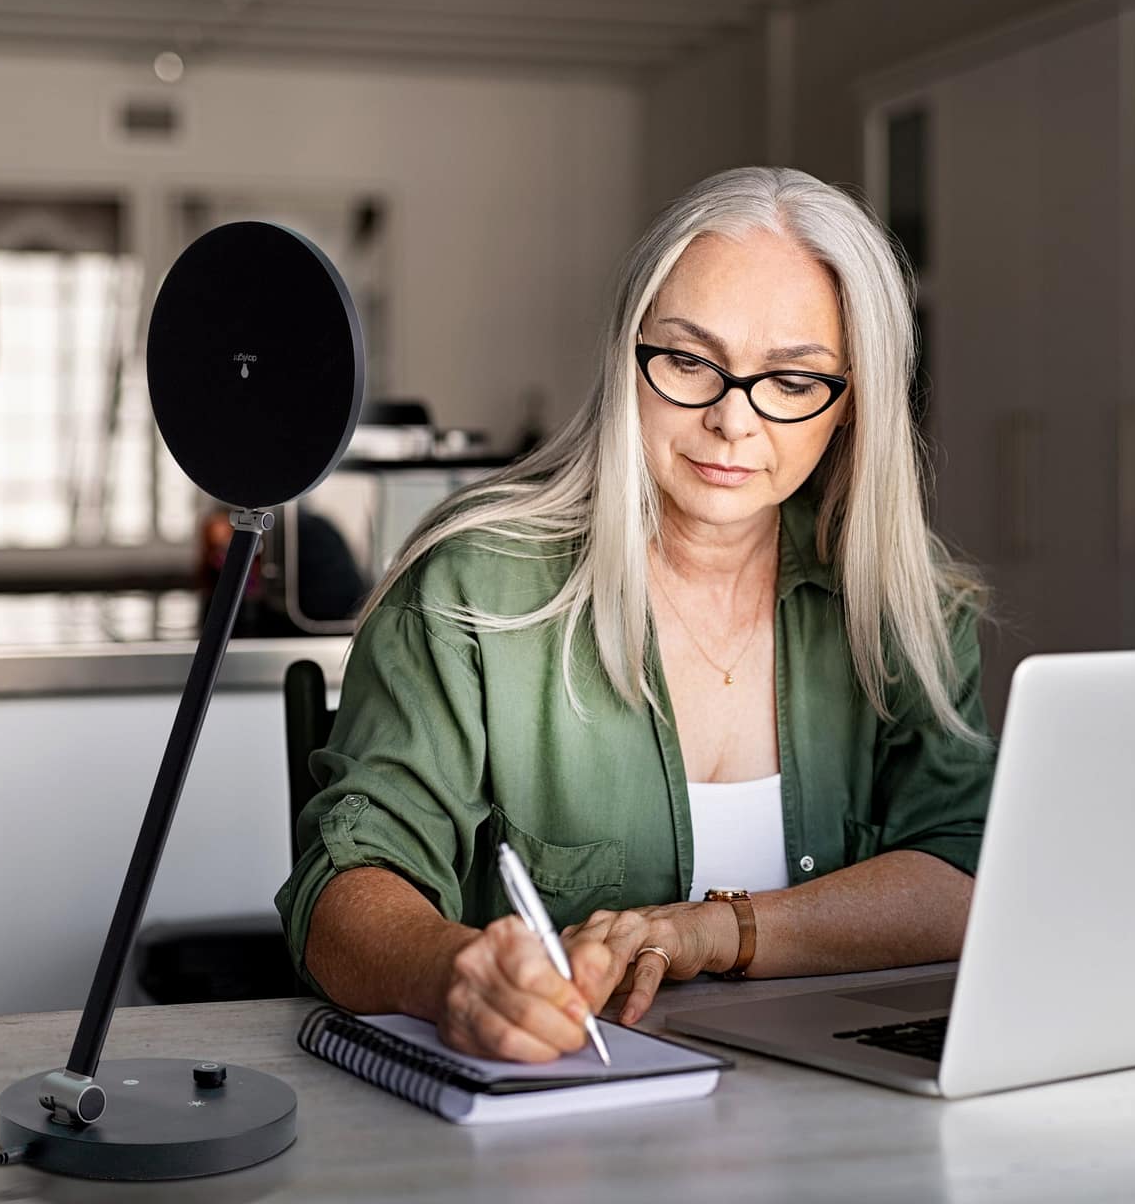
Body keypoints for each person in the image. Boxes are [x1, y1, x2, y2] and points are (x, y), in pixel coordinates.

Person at [276, 167, 995, 1063]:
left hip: (843, 1107)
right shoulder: (471, 587)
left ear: (851, 406)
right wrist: (452, 972)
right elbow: (344, 889)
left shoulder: (904, 601)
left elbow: (965, 876)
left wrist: (713, 932)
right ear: (629, 357)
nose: (734, 421)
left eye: (793, 380)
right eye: (691, 361)